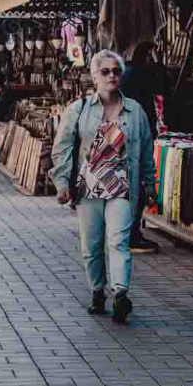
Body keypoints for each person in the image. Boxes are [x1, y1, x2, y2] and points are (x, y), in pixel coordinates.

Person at [50, 50, 156, 324]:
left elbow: (146, 150)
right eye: (105, 72)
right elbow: (62, 149)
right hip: (89, 189)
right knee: (92, 245)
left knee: (119, 242)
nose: (112, 76)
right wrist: (62, 182)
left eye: (116, 71)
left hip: (122, 187)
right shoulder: (79, 109)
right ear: (94, 76)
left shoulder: (135, 111)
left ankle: (120, 294)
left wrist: (150, 183)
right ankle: (97, 291)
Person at [120, 42, 168, 254]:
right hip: (136, 135)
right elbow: (161, 86)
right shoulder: (139, 74)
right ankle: (131, 235)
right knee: (136, 185)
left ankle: (126, 233)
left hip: (123, 134)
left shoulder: (125, 73)